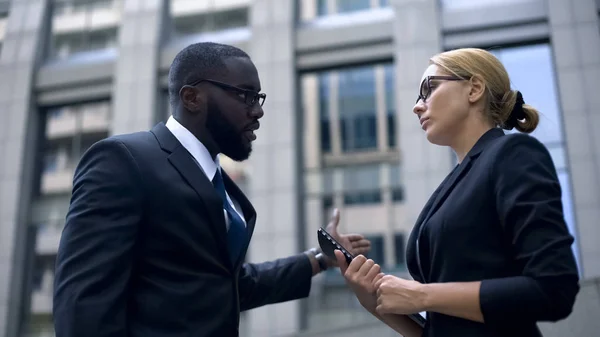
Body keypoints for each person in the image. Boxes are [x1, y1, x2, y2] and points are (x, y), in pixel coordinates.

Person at [52, 42, 371, 337]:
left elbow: (227, 286)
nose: (257, 112)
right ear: (192, 97)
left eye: (258, 99)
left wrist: (318, 259)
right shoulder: (123, 161)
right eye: (245, 96)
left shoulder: (221, 184)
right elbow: (84, 303)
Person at [335, 47, 580, 337]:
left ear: (474, 88)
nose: (417, 106)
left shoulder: (513, 154)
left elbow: (553, 287)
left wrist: (422, 296)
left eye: (429, 88)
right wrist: (374, 302)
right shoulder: (453, 183)